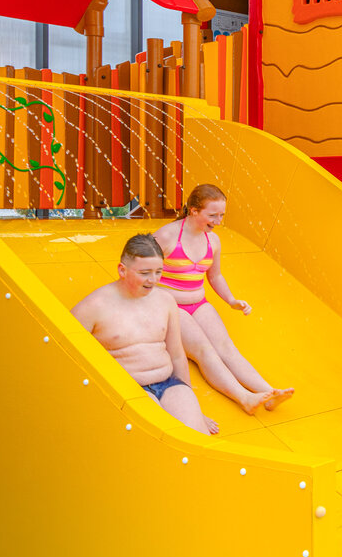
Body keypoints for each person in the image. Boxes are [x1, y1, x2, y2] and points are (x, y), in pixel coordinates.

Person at [154, 184, 292, 414]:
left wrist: (231, 300)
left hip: (198, 303)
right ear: (194, 210)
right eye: (212, 215)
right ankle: (244, 398)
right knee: (204, 350)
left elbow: (215, 275)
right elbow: (142, 270)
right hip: (170, 306)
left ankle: (269, 393)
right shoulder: (166, 236)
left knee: (227, 347)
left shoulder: (213, 241)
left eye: (221, 215)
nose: (218, 221)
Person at [71, 234, 216, 435]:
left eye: (158, 272)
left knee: (198, 437)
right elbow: (68, 357)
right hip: (130, 389)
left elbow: (176, 354)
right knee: (159, 437)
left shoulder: (165, 301)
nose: (153, 280)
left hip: (169, 383)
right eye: (145, 273)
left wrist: (194, 406)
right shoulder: (93, 307)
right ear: (122, 270)